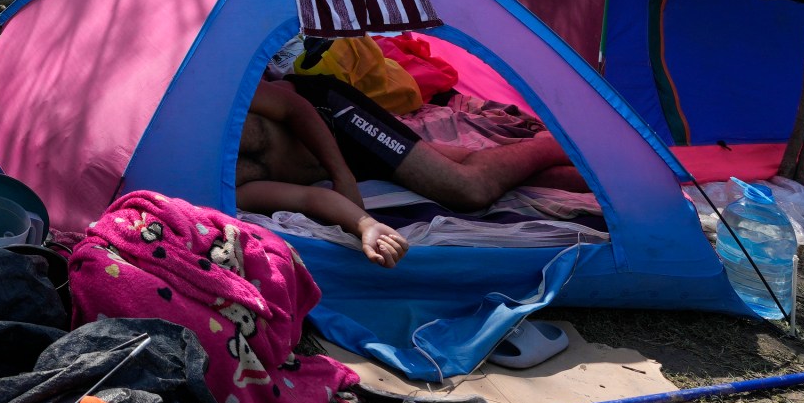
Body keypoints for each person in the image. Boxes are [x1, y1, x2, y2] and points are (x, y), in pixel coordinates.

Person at [237, 76, 581, 268]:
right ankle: (592, 172)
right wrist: (365, 225)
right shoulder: (214, 184)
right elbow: (309, 197)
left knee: (467, 189)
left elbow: (295, 105)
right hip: (345, 159)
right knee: (469, 164)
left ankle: (554, 144)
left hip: (334, 118)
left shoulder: (210, 101)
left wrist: (342, 175)